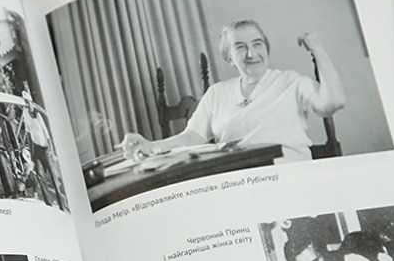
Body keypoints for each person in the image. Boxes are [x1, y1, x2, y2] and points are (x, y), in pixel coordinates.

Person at [122, 20, 345, 162]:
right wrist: (150, 145)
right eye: (240, 47)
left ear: (266, 48)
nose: (251, 53)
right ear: (229, 57)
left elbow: (333, 103)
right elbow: (192, 137)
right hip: (239, 183)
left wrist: (317, 49)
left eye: (257, 44)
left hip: (288, 178)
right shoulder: (217, 93)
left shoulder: (292, 82)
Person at [20, 90, 65, 208]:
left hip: (45, 149)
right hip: (36, 150)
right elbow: (28, 133)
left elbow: (47, 135)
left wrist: (52, 151)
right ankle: (48, 203)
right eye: (25, 103)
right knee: (40, 176)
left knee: (54, 177)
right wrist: (31, 153)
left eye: (28, 102)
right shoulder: (25, 113)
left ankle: (61, 203)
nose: (27, 105)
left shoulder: (38, 114)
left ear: (31, 102)